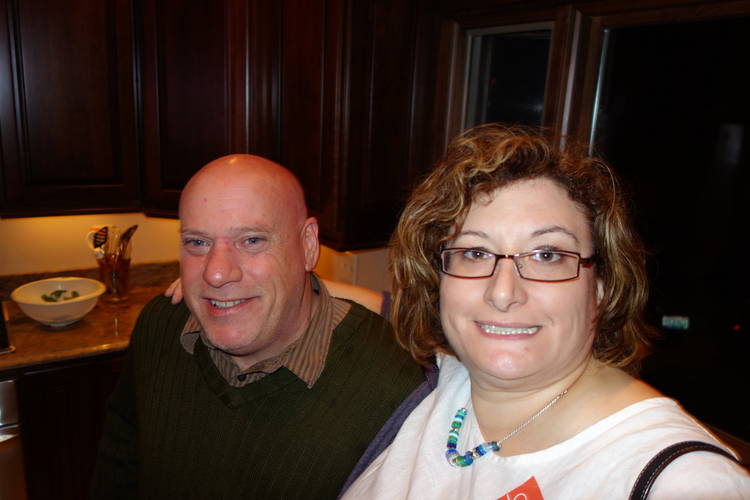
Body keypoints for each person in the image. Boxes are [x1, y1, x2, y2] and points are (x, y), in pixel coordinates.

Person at [341, 124, 750, 498]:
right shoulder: (450, 378)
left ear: (601, 286)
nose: (503, 293)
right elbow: (372, 304)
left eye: (547, 255)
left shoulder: (681, 478)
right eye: (475, 252)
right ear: (440, 281)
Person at [91, 154, 425, 498]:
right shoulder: (159, 324)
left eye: (251, 240)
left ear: (308, 245)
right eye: (197, 243)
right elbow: (117, 467)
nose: (216, 273)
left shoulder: (397, 389)